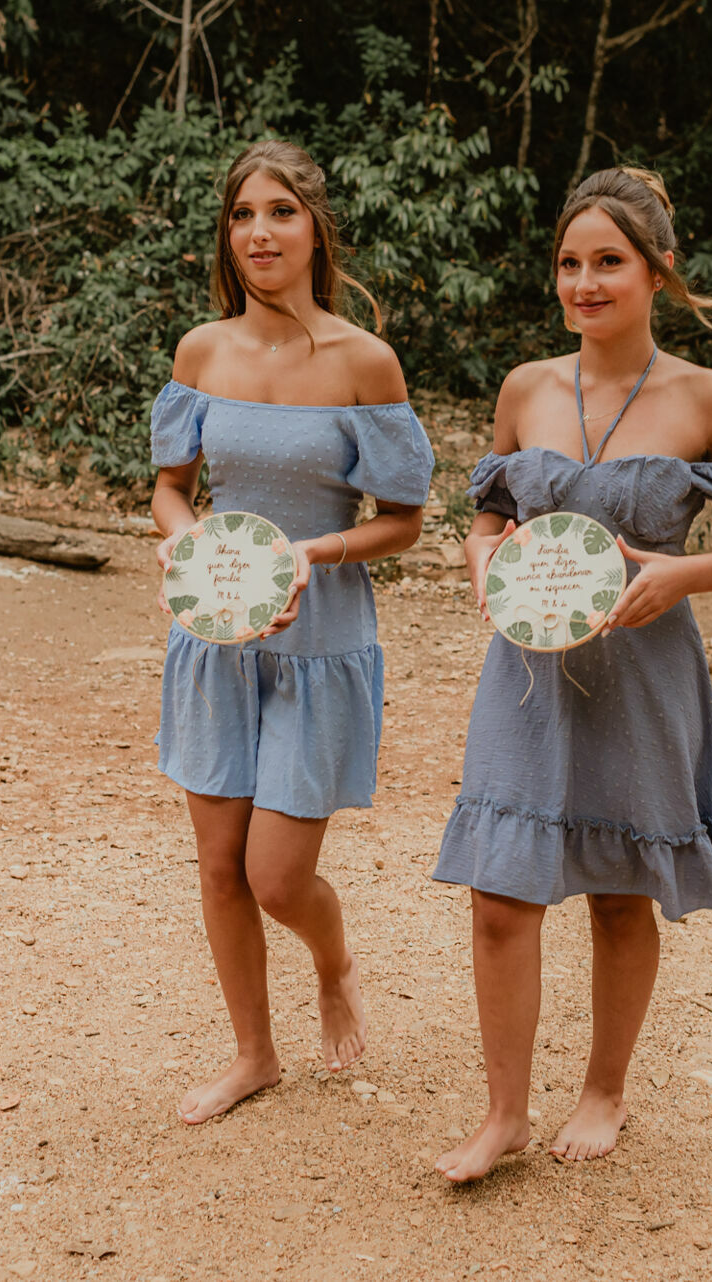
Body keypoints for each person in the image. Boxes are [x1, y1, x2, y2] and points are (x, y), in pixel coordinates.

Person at [432, 167, 712, 1182]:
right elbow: (492, 511)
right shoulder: (526, 387)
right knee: (499, 891)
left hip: (643, 667)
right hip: (528, 667)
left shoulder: (708, 397)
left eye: (608, 262)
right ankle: (502, 1114)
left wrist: (685, 574)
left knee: (618, 892)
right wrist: (481, 555)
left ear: (658, 270)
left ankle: (604, 1089)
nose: (584, 282)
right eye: (568, 263)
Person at [149, 140, 435, 1125]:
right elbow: (170, 490)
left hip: (319, 641)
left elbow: (403, 517)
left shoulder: (364, 360)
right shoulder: (202, 350)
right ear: (227, 237)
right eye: (242, 216)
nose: (260, 232)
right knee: (219, 864)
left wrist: (314, 555)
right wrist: (183, 548)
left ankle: (334, 959)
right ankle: (253, 1054)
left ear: (316, 226)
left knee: (278, 875)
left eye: (279, 212)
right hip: (217, 637)